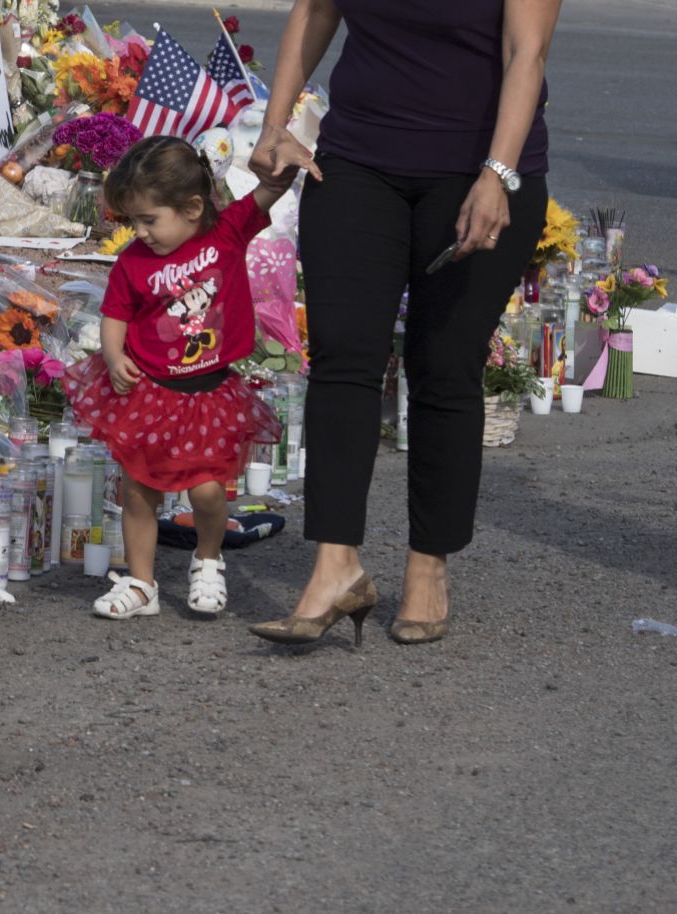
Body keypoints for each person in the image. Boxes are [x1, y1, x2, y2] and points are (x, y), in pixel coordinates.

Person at [248, 0, 561, 646]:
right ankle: (335, 566)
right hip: (357, 159)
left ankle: (428, 566)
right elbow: (314, 11)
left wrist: (497, 176)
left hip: (480, 173)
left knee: (443, 366)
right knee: (342, 356)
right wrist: (276, 124)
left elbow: (524, 53)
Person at [62, 136, 288, 620]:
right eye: (133, 221)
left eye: (149, 220)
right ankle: (142, 583)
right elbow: (115, 313)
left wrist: (288, 159)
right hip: (149, 392)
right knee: (139, 489)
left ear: (191, 208)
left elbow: (269, 191)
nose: (140, 232)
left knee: (207, 489)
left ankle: (208, 558)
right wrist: (114, 353)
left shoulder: (225, 234)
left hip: (208, 393)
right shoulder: (133, 262)